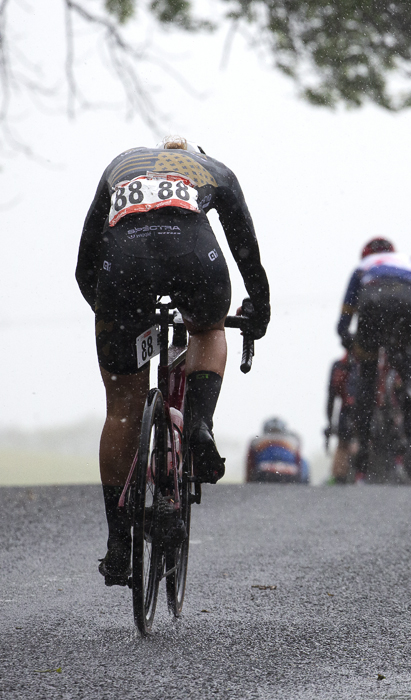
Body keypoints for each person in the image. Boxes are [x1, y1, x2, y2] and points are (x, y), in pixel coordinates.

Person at [76, 136, 270, 586]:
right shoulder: (213, 169)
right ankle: (199, 423)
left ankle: (118, 543)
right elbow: (246, 251)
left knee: (122, 410)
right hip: (194, 256)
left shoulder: (121, 163)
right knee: (207, 328)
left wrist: (110, 316)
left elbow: (86, 262)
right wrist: (258, 310)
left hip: (125, 265)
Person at [337, 237, 411, 477]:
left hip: (374, 303)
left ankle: (364, 442)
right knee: (404, 352)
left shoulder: (363, 267)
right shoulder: (407, 264)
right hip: (407, 305)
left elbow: (348, 307)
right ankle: (407, 389)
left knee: (368, 372)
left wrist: (345, 335)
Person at [324, 353, 359, 484]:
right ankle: (341, 475)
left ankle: (348, 473)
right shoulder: (341, 366)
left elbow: (331, 396)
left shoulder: (343, 365)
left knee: (346, 443)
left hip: (359, 410)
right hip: (349, 411)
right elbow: (331, 395)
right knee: (344, 442)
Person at [246, 418, 309, 484]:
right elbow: (298, 461)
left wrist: (249, 480)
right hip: (289, 475)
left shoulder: (256, 441)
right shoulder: (292, 440)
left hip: (264, 474)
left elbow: (250, 463)